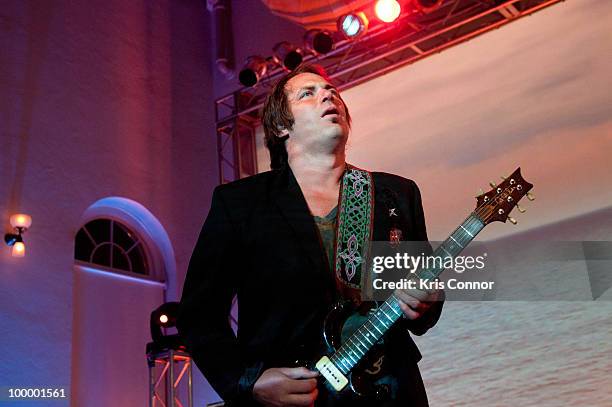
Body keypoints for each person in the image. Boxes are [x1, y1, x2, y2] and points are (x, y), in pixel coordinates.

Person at [177, 64, 444, 407]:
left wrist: (426, 300)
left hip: (388, 391)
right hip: (295, 397)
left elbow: (422, 301)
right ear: (279, 126)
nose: (328, 95)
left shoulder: (395, 193)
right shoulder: (240, 204)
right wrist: (249, 381)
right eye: (308, 93)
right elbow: (200, 314)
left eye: (332, 91)